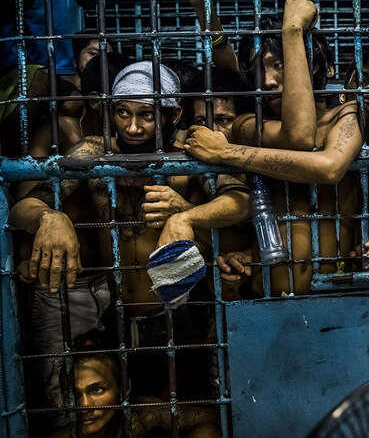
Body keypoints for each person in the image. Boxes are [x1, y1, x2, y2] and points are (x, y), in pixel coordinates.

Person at [11, 60, 249, 422]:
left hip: (181, 314)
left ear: (172, 114)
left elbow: (240, 202)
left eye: (147, 115)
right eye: (123, 112)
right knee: (123, 416)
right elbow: (22, 208)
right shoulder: (94, 153)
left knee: (189, 412)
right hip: (115, 317)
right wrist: (49, 217)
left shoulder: (189, 153)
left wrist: (185, 213)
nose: (133, 127)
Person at [183, 0, 363, 295]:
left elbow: (329, 167)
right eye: (258, 69)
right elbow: (297, 135)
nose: (267, 81)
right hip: (264, 291)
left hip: (337, 294)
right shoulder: (250, 125)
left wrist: (293, 30)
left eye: (280, 65)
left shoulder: (346, 115)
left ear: (319, 65)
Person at [49, 331, 221, 437]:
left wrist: (159, 416)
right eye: (73, 393)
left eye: (97, 390)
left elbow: (220, 419)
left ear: (124, 389)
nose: (84, 405)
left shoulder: (142, 414)